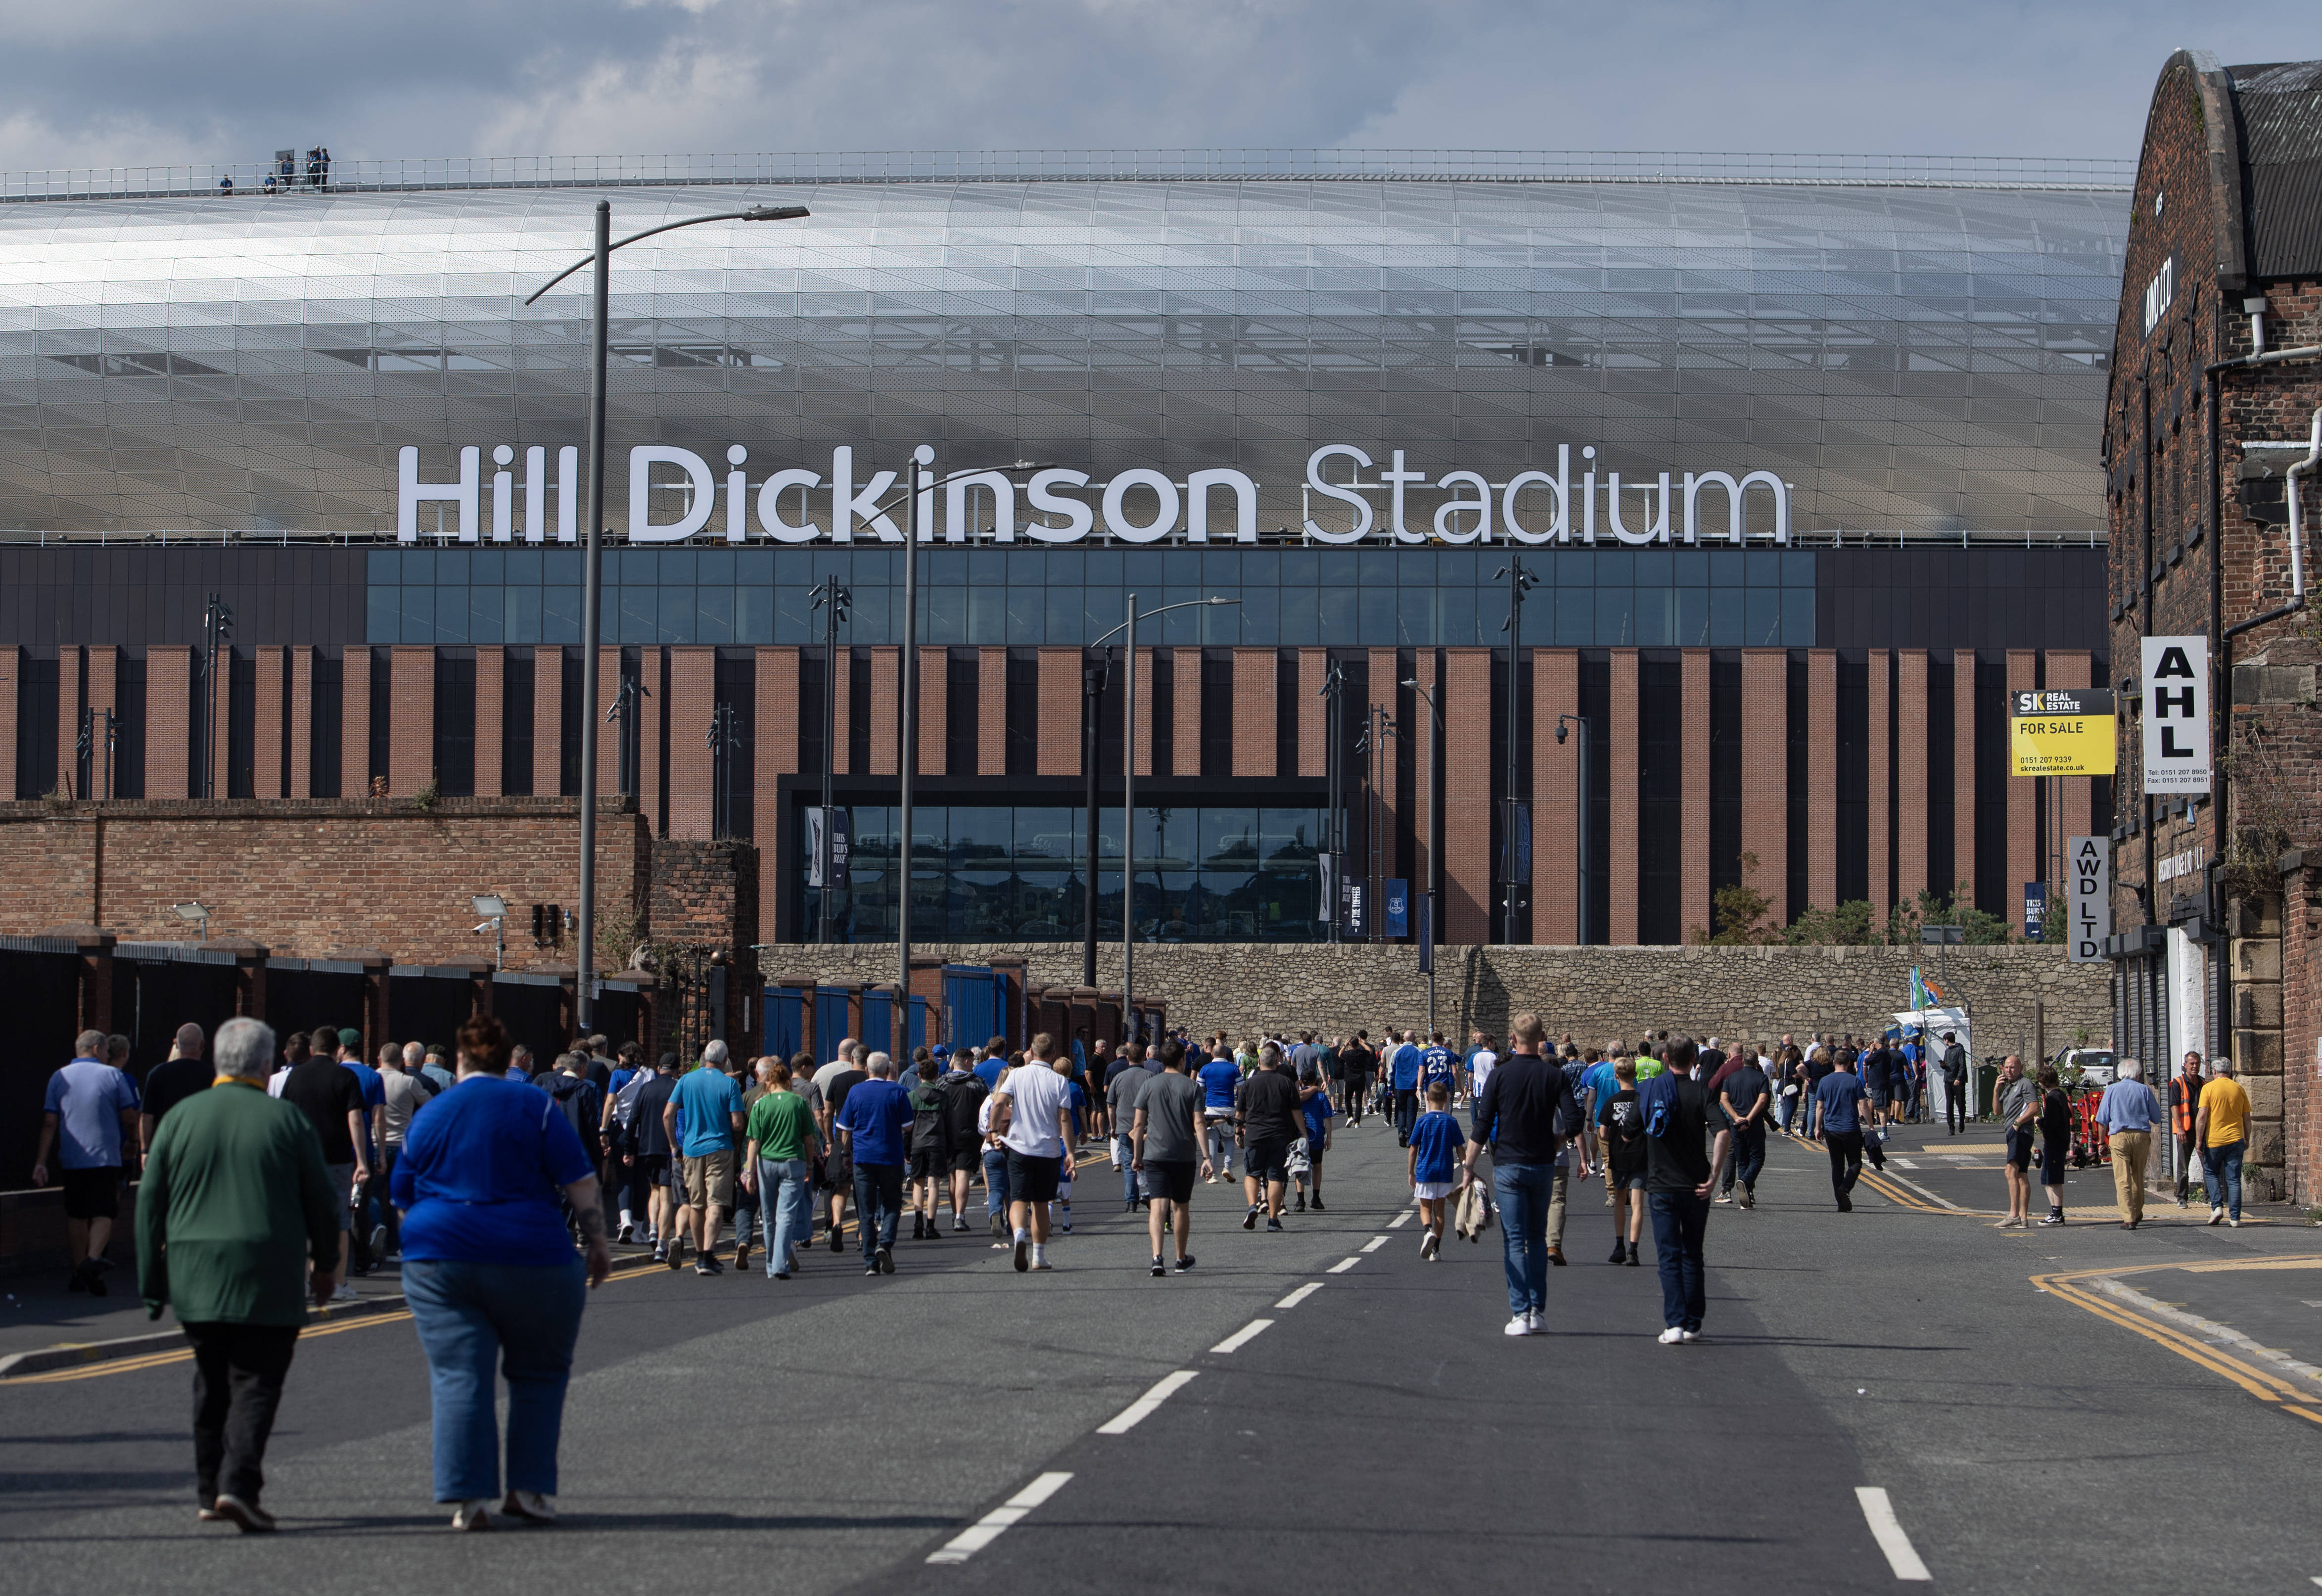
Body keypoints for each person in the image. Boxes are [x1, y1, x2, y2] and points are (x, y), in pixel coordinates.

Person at [392, 1014, 610, 1531]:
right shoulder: (535, 1105)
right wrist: (597, 1242)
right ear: (509, 1057)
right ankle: (528, 1490)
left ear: (462, 1060)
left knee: (458, 1375)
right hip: (532, 1251)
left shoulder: (433, 1112)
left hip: (441, 1254)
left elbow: (402, 1191)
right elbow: (579, 1180)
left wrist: (423, 1241)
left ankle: (468, 1499)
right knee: (539, 1373)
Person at [136, 1016, 341, 1534]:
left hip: (195, 1270)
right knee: (256, 1381)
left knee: (210, 1380)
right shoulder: (286, 1121)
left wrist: (151, 1284)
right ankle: (239, 1484)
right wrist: (324, 1267)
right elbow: (321, 1202)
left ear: (218, 1060)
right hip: (267, 1269)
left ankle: (209, 1491)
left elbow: (150, 1203)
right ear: (267, 1064)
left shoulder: (181, 1117)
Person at [1463, 1013, 1568, 1337]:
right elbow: (1574, 1120)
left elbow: (1482, 1126)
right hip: (1542, 1163)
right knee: (1536, 1238)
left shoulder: (1500, 1075)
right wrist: (1556, 1143)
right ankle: (1537, 1311)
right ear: (1543, 1037)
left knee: (1514, 1239)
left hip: (1508, 1163)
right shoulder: (1553, 1076)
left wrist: (1468, 1167)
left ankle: (1520, 1312)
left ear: (1513, 1038)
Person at [32, 1029, 141, 1296]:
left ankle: (78, 1268)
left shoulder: (59, 1077)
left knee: (77, 1214)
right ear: (96, 1050)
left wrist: (41, 1162)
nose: (107, 1055)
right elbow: (129, 1117)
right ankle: (92, 1261)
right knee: (104, 1212)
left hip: (72, 1157)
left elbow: (49, 1121)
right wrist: (132, 1142)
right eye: (105, 1051)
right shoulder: (112, 1075)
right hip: (105, 1156)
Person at [1638, 1036, 1730, 1344]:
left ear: (1666, 1060)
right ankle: (1693, 1323)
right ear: (1694, 1060)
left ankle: (1674, 1323)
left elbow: (1629, 1133)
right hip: (1697, 1184)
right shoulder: (1703, 1093)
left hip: (1663, 1183)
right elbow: (1723, 1133)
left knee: (1669, 1255)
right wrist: (1715, 1174)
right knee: (1693, 1254)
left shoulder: (1651, 1090)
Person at [274, 1031, 369, 1302]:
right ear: (338, 1050)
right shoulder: (345, 1077)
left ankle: (304, 1282)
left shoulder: (295, 1077)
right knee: (339, 1221)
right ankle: (337, 1283)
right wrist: (362, 1160)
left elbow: (285, 1118)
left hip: (302, 1159)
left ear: (312, 1049)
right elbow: (356, 1121)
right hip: (337, 1159)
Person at [991, 1035, 1075, 1271]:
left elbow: (999, 1103)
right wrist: (1070, 1152)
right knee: (1041, 1203)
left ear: (1032, 1051)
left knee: (1018, 1198)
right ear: (1054, 1053)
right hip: (1048, 1151)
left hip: (1019, 1148)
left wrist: (993, 1131)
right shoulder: (1060, 1081)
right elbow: (1065, 1119)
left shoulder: (1017, 1075)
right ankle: (1039, 1257)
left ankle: (1019, 1235)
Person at [665, 1040, 745, 1275]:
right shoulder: (730, 1084)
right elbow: (738, 1123)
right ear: (725, 1059)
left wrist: (674, 1146)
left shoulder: (686, 1080)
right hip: (720, 1148)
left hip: (691, 1150)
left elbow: (668, 1114)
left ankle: (699, 1254)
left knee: (696, 1205)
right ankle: (707, 1256)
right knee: (716, 1204)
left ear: (704, 1057)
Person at [1131, 1042, 1210, 1275]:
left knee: (1158, 1206)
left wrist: (1137, 1156)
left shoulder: (1149, 1085)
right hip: (1183, 1154)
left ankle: (1157, 1257)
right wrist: (1207, 1157)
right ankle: (1180, 1258)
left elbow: (1138, 1124)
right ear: (1182, 1061)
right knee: (1180, 1208)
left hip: (1154, 1154)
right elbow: (1199, 1123)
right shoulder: (1192, 1087)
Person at [832, 1052, 912, 1274]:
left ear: (867, 1071)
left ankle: (870, 1262)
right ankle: (884, 1244)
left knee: (866, 1211)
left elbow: (845, 1130)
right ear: (888, 1071)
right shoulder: (897, 1092)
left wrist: (846, 1155)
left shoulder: (856, 1092)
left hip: (863, 1158)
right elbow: (908, 1126)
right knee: (893, 1205)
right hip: (891, 1157)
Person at [743, 1056, 822, 1278]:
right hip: (793, 1163)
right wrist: (808, 1166)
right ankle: (779, 1264)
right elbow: (809, 1140)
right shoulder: (798, 1103)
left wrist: (750, 1173)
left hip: (766, 1163)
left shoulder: (760, 1104)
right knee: (786, 1215)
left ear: (768, 1082)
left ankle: (771, 1265)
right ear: (788, 1081)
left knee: (768, 1216)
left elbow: (754, 1142)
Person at [375, 1040, 439, 1260]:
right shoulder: (408, 1082)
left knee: (373, 1196)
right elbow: (433, 1106)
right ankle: (396, 1245)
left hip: (376, 1145)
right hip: (402, 1145)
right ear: (401, 1061)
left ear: (379, 1059)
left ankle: (373, 1233)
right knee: (398, 1199)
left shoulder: (373, 1079)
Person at [1234, 1042, 1304, 1231]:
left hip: (1255, 1134)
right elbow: (1296, 1111)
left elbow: (1240, 1112)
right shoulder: (1286, 1083)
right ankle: (1273, 1220)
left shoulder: (1250, 1083)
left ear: (1259, 1062)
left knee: (1252, 1174)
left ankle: (1252, 1205)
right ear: (1277, 1062)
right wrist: (1303, 1133)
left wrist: (1238, 1130)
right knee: (1276, 1178)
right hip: (1279, 1136)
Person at [628, 1052, 683, 1263]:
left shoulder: (645, 1088)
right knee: (667, 1194)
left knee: (654, 1190)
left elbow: (633, 1120)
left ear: (660, 1069)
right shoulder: (678, 1088)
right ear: (677, 1070)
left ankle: (652, 1229)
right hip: (669, 1148)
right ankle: (661, 1243)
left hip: (646, 1147)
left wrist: (628, 1149)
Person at [2095, 1059, 2162, 1230]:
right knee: (2137, 1176)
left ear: (2120, 1073)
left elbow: (2102, 1120)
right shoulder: (2144, 1090)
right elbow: (2156, 1117)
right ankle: (2137, 1212)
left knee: (2122, 1178)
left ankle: (2128, 1217)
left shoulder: (2111, 1090)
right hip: (2141, 1136)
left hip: (2119, 1137)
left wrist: (2101, 1142)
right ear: (2137, 1075)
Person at [1407, 1082, 1466, 1259]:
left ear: (1427, 1098)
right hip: (1445, 1171)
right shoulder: (1452, 1122)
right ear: (1447, 1099)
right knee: (1439, 1211)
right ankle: (1436, 1250)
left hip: (1426, 1170)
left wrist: (1411, 1172)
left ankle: (1428, 1231)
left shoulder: (1422, 1121)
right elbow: (1460, 1149)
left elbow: (1413, 1149)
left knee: (1425, 1207)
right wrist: (1466, 1169)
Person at [1595, 1057, 1645, 1265]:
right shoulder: (1642, 1100)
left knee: (1619, 1198)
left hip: (1619, 1155)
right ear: (1635, 1075)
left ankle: (1620, 1245)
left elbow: (1604, 1133)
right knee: (1638, 1204)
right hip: (1640, 1155)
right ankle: (1634, 1250)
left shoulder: (1611, 1102)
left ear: (1616, 1076)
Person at [2194, 1058, 2253, 1227]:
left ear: (2213, 1071)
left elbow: (2202, 1116)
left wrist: (2199, 1140)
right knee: (2234, 1179)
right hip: (2236, 1139)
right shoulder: (2239, 1089)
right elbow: (2247, 1119)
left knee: (2212, 1173)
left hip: (2215, 1140)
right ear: (2230, 1071)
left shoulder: (2208, 1088)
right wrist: (2247, 1138)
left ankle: (2217, 1207)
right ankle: (2235, 1218)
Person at [1811, 1051, 1870, 1212]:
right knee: (1856, 1162)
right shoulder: (1855, 1081)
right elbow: (1863, 1106)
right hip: (1851, 1128)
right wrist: (1871, 1126)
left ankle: (1841, 1203)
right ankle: (1846, 1187)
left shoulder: (1825, 1081)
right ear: (1849, 1064)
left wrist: (1818, 1128)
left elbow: (1820, 1107)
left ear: (1834, 1062)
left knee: (1837, 1167)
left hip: (1832, 1129)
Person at [139, 1023, 214, 1150]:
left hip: (166, 1143)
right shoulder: (213, 1076)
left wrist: (145, 1150)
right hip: (200, 1145)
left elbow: (147, 1116)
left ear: (177, 1045)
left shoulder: (157, 1073)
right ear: (202, 1045)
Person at [937, 1049, 987, 1233]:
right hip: (969, 1135)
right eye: (972, 1062)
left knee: (952, 1177)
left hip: (946, 1136)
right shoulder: (977, 1084)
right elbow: (984, 1110)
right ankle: (960, 1216)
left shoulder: (942, 1083)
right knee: (963, 1175)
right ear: (966, 1062)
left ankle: (954, 1213)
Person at [1718, 1048, 1771, 1208]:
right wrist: (1749, 1118)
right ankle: (1746, 1183)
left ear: (1743, 1062)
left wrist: (1736, 1117)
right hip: (1753, 1124)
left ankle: (1745, 1196)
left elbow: (1723, 1099)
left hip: (1736, 1124)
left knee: (1741, 1161)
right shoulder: (1761, 1078)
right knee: (1757, 1159)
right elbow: (1762, 1101)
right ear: (1756, 1062)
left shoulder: (1732, 1078)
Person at [1994, 1055, 2035, 1228]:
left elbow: (2034, 1107)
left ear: (2021, 1068)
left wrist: (2018, 1123)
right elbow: (1997, 1111)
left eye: (2012, 1067)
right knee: (2021, 1175)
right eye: (2006, 1068)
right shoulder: (2009, 1088)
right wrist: (1996, 1090)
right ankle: (2023, 1218)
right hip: (2013, 1133)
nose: (2008, 1071)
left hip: (2021, 1133)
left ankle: (2013, 1215)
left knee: (2010, 1172)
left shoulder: (2025, 1084)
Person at [1107, 1047, 1149, 1210]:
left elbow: (1111, 1106)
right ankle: (1146, 1193)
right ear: (1143, 1058)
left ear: (1128, 1059)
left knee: (1128, 1164)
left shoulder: (1119, 1078)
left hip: (1124, 1127)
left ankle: (1131, 1202)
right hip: (1145, 1127)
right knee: (1145, 1161)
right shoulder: (1150, 1077)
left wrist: (1113, 1127)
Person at [2033, 1064, 2073, 1225]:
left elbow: (2051, 1123)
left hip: (2054, 1142)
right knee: (2049, 1179)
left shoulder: (2051, 1099)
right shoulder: (2061, 1095)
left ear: (2043, 1082)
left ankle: (2057, 1214)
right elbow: (2069, 1114)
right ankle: (2055, 1212)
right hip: (2061, 1141)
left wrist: (2039, 1122)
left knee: (2053, 1179)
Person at [1293, 1064, 1335, 1211]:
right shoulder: (1320, 1097)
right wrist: (1329, 1137)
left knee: (1300, 1165)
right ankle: (1316, 1198)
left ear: (1302, 1081)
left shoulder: (1297, 1096)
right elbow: (1327, 1118)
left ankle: (1300, 1200)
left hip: (1300, 1134)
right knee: (1317, 1165)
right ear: (1315, 1081)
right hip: (1317, 1134)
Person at [1197, 1044, 1241, 1182]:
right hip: (1228, 1107)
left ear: (1212, 1054)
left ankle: (1212, 1174)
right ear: (1226, 1055)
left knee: (1212, 1140)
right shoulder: (1233, 1069)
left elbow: (1200, 1090)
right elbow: (1242, 1088)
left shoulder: (1205, 1069)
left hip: (1211, 1108)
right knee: (1229, 1139)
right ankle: (1227, 1167)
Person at [2169, 1051, 2207, 1208]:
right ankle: (2182, 1198)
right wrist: (2179, 1128)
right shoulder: (2178, 1083)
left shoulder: (2204, 1083)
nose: (2195, 1066)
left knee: (2208, 1165)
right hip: (2185, 1130)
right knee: (2183, 1167)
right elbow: (2174, 1106)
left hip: (2202, 1131)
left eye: (2197, 1063)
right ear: (2185, 1065)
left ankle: (2209, 1198)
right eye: (2192, 1063)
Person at [1387, 1030, 1423, 1145]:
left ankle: (1401, 1131)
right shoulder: (1419, 1052)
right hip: (1413, 1086)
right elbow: (1422, 1069)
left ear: (1404, 1038)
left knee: (1402, 1109)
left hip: (1400, 1085)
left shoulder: (1397, 1052)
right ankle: (1410, 1136)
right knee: (1412, 1111)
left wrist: (1390, 1086)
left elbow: (1391, 1070)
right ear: (1414, 1039)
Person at [1939, 1032, 1970, 1134]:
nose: (1945, 1042)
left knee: (1960, 1103)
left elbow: (1962, 1065)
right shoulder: (1947, 1051)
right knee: (1949, 1103)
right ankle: (1951, 1127)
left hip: (1957, 1080)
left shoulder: (1960, 1049)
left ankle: (1962, 1121)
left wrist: (1959, 1078)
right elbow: (1946, 1063)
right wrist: (1943, 1065)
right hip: (1948, 1080)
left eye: (1945, 1040)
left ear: (1947, 1040)